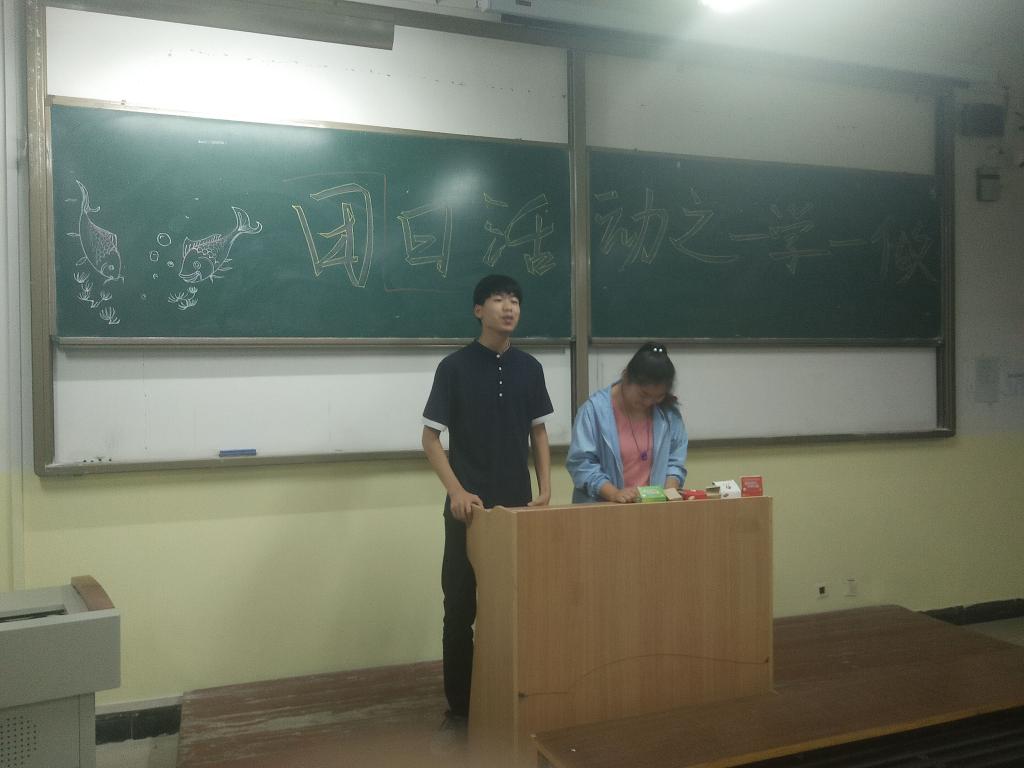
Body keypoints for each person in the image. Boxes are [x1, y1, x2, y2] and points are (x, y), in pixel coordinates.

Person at [421, 273, 553, 735]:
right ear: (479, 310)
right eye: (498, 299)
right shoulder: (453, 367)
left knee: (516, 608)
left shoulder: (530, 368)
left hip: (517, 510)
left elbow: (539, 431)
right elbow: (430, 439)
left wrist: (546, 488)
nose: (509, 306)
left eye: (514, 299)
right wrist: (456, 491)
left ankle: (512, 697)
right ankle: (460, 709)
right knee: (460, 610)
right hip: (468, 513)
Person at [567, 342, 687, 503]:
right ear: (626, 377)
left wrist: (670, 492)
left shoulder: (668, 413)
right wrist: (614, 493)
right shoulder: (594, 411)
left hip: (652, 509)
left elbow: (675, 461)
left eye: (658, 396)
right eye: (643, 394)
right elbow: (582, 464)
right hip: (603, 507)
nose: (649, 402)